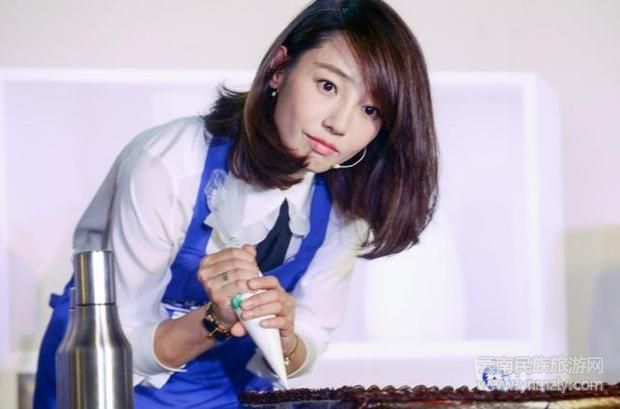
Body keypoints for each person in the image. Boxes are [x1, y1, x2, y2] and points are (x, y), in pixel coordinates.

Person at [33, 0, 438, 407]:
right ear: (279, 69)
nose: (339, 124)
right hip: (101, 377)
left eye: (370, 109)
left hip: (228, 388)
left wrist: (286, 336)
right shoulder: (170, 162)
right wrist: (215, 320)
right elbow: (118, 343)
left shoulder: (347, 203)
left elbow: (312, 336)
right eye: (328, 86)